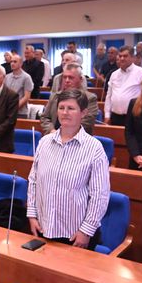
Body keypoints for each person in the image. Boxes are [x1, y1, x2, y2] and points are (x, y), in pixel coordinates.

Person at [28, 89, 110, 250]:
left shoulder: (94, 148)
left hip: (75, 234)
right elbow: (33, 181)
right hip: (43, 227)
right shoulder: (44, 142)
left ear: (83, 113)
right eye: (61, 108)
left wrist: (86, 230)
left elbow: (100, 194)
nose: (65, 112)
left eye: (71, 108)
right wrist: (32, 215)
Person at [40, 63, 99, 135]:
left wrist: (62, 134)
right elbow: (45, 117)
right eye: (64, 77)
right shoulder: (55, 96)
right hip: (53, 135)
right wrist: (52, 131)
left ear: (80, 79)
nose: (67, 80)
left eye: (71, 77)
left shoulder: (90, 98)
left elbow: (87, 122)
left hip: (79, 138)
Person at [105, 45, 142, 125]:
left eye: (125, 56)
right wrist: (107, 115)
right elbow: (109, 96)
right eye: (120, 56)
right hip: (115, 116)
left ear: (133, 57)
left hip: (134, 116)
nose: (122, 58)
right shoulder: (114, 74)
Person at [5, 54, 34, 118]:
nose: (12, 63)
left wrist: (14, 108)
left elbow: (26, 97)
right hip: (7, 111)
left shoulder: (26, 77)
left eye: (15, 62)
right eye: (11, 62)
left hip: (21, 112)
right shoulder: (7, 77)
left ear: (21, 64)